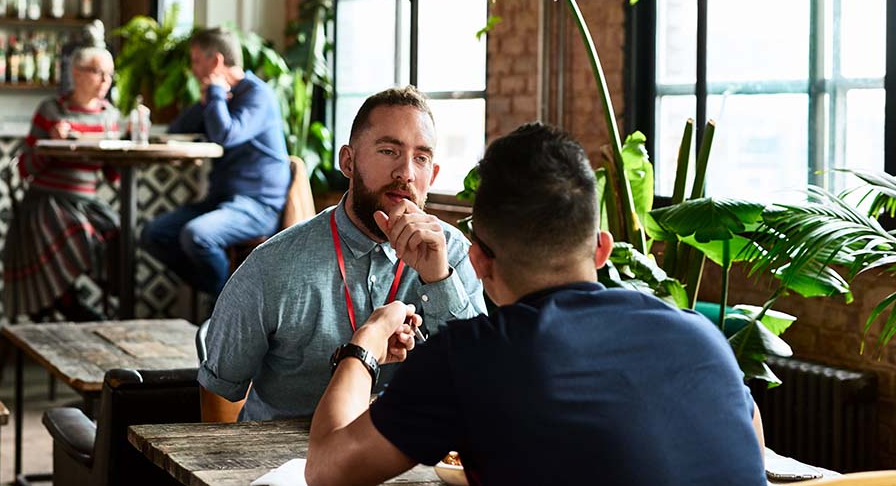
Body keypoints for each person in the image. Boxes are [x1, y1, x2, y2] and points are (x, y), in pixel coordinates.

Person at [305, 122, 767, 486]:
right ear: (602, 249)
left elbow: (327, 469)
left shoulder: (471, 358)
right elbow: (750, 444)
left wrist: (366, 343)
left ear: (479, 261)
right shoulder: (703, 337)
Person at [198, 86, 487, 421]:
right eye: (388, 151)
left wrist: (439, 280)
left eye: (420, 158)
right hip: (290, 465)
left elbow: (479, 381)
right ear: (348, 162)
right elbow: (219, 392)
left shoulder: (454, 254)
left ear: (432, 175)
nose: (406, 172)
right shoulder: (272, 266)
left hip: (412, 464)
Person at [140, 27, 291, 297]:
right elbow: (177, 131)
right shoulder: (218, 97)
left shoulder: (258, 95)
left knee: (197, 235)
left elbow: (226, 135)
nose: (192, 68)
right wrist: (205, 101)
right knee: (154, 234)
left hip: (257, 205)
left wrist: (217, 95)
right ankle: (223, 296)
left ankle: (226, 307)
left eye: (196, 60)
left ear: (217, 61)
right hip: (221, 200)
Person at [3, 46, 121, 322]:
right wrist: (51, 144)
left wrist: (116, 151)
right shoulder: (51, 110)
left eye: (109, 74)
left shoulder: (109, 117)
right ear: (76, 74)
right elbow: (25, 168)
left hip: (86, 201)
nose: (105, 81)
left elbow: (113, 176)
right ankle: (65, 299)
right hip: (47, 200)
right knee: (75, 230)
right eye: (97, 72)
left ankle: (109, 302)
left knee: (119, 230)